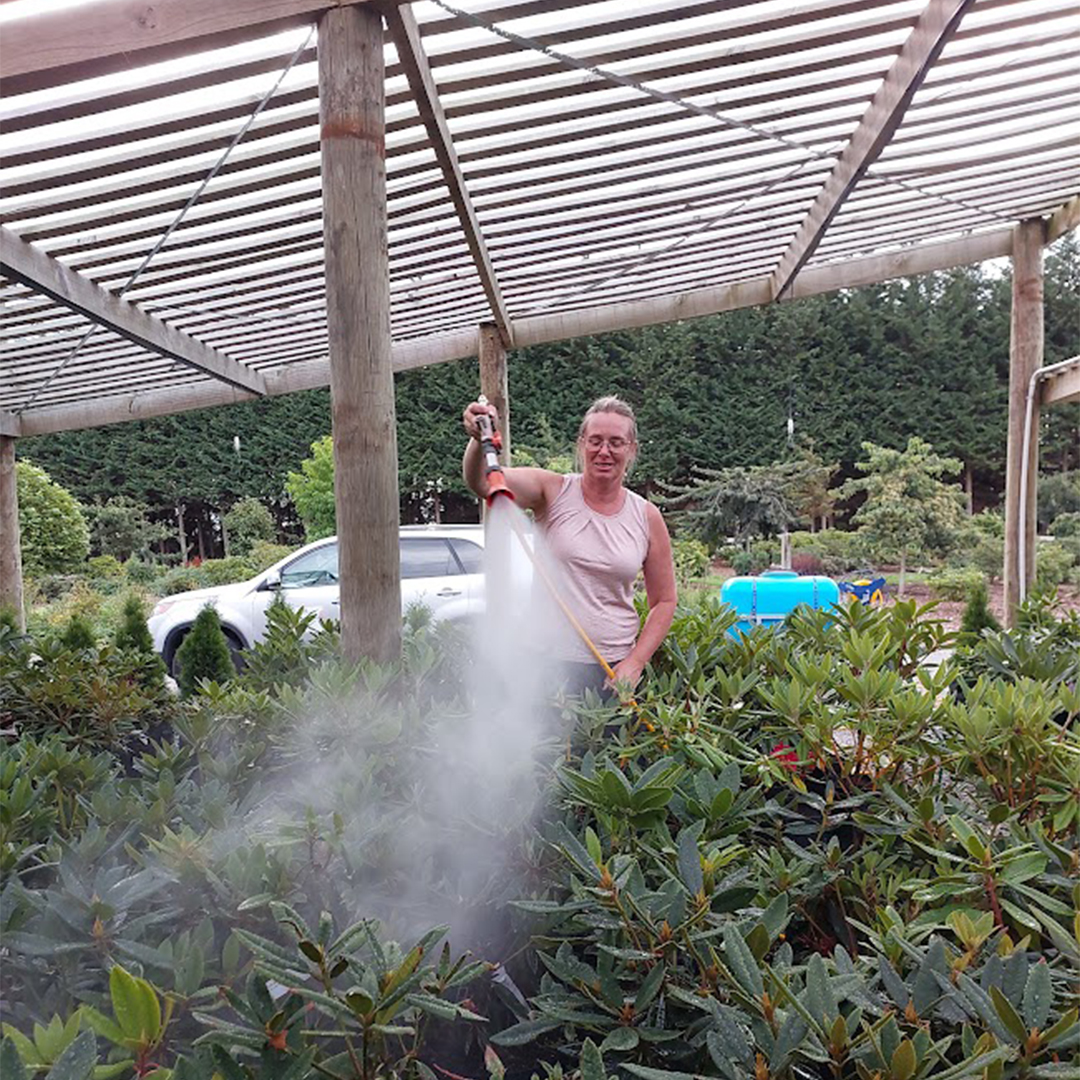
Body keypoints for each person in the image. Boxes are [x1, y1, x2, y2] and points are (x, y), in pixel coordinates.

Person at [462, 395, 677, 697]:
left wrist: (637, 661)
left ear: (632, 449)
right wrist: (477, 441)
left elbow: (665, 601)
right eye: (595, 441)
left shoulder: (646, 516)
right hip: (547, 666)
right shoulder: (552, 491)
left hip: (613, 672)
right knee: (547, 745)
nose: (604, 451)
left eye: (616, 442)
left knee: (608, 745)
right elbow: (484, 483)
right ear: (581, 444)